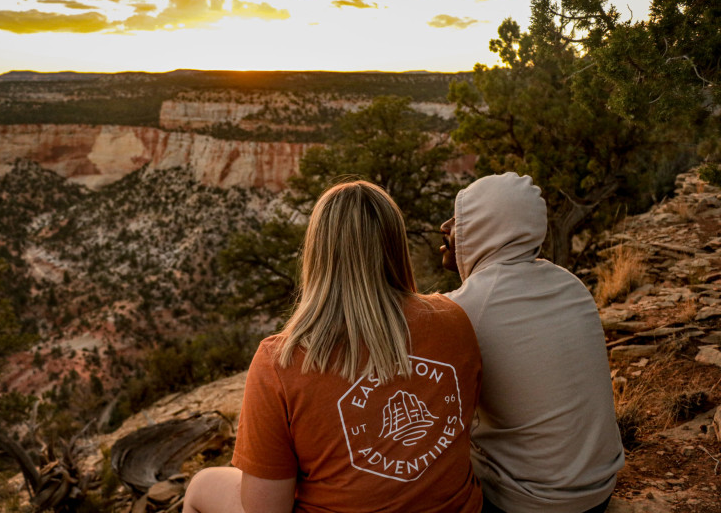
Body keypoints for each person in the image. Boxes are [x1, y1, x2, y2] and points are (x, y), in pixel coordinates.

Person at [184, 180, 483, 513]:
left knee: (200, 486)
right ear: (395, 245)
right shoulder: (453, 319)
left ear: (318, 253)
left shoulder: (281, 362)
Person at [439, 172, 624, 513]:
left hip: (528, 502)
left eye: (461, 219)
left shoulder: (463, 308)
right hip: (599, 491)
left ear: (485, 227)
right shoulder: (570, 284)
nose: (445, 227)